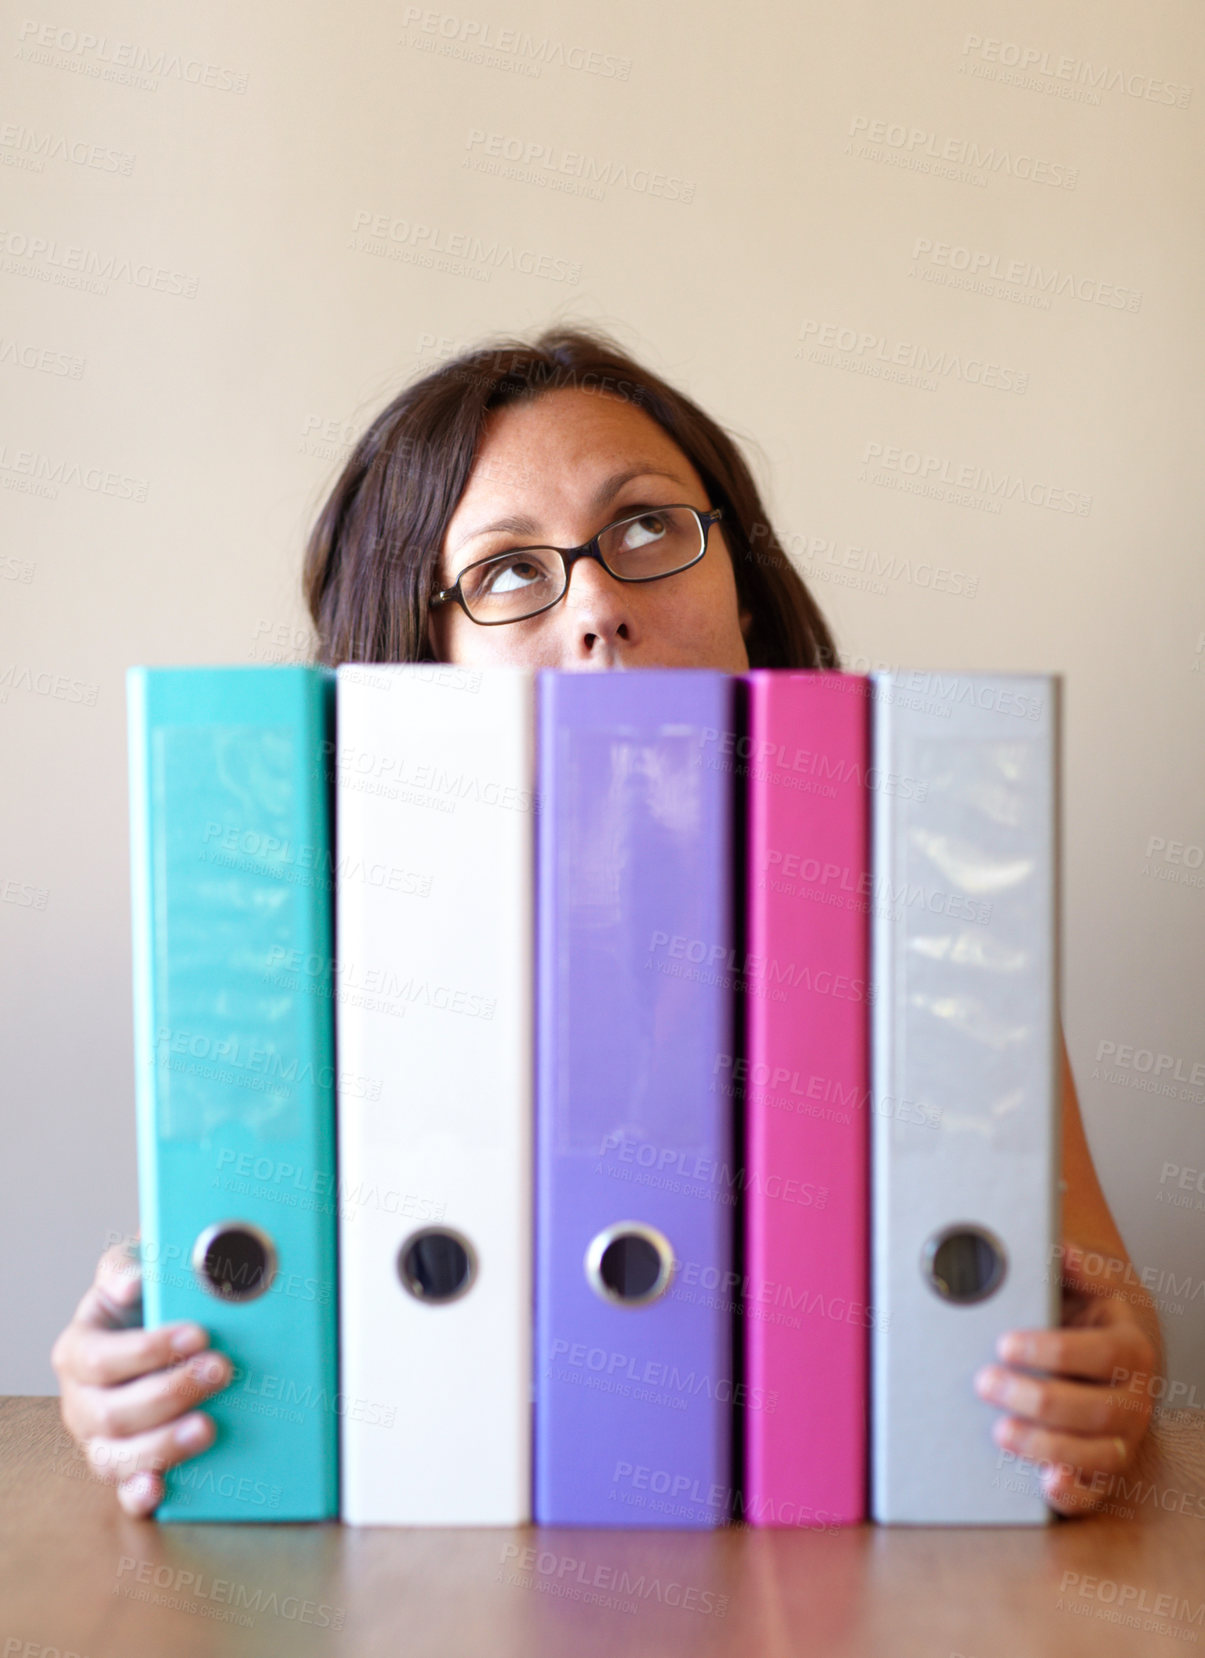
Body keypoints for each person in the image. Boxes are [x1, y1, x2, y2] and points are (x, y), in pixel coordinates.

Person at [52, 325, 1163, 1519]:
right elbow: (215, 1295)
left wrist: (1108, 1372)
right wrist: (127, 1376)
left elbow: (1094, 1294)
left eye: (643, 527)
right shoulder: (300, 943)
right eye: (506, 571)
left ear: (743, 581)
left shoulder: (927, 924)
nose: (594, 603)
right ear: (419, 653)